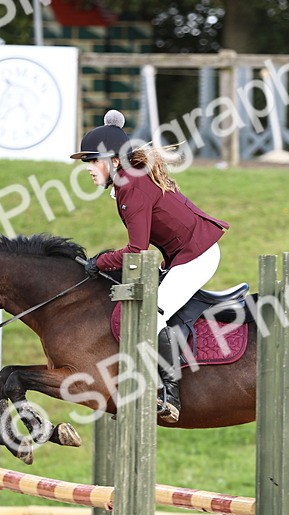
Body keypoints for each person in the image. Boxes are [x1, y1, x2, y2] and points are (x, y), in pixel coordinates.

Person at [71, 110, 229, 424]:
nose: (89, 169)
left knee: (151, 313)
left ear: (114, 161)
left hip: (198, 254)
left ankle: (169, 394)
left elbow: (136, 250)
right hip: (186, 253)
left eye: (93, 161)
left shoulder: (132, 187)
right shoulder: (128, 182)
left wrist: (99, 261)